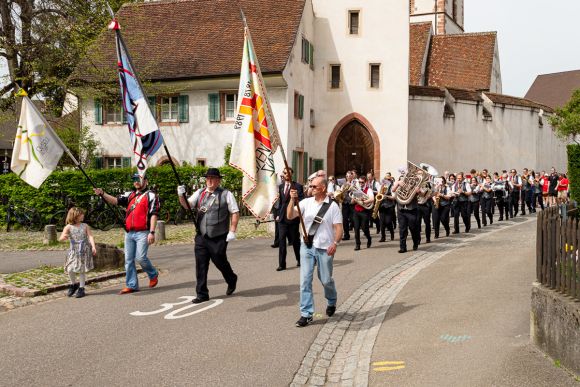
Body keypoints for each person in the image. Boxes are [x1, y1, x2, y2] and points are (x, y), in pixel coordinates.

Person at [287, 177, 343, 328]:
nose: (311, 188)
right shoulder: (305, 203)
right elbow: (290, 215)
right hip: (307, 246)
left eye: (314, 186)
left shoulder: (332, 207)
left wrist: (335, 243)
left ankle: (331, 300)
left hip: (325, 248)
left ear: (323, 188)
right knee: (305, 280)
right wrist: (292, 201)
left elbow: (338, 228)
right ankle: (306, 314)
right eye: (310, 186)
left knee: (326, 280)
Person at [178, 168, 239, 303]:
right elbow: (187, 206)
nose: (209, 180)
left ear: (218, 180)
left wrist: (232, 230)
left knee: (219, 261)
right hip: (201, 236)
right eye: (207, 178)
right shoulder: (200, 193)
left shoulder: (226, 194)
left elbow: (235, 212)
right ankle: (202, 293)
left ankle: (231, 278)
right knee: (201, 264)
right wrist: (181, 195)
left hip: (219, 236)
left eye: (212, 178)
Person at [94, 173, 159, 294]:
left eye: (139, 179)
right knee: (128, 260)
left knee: (140, 257)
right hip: (129, 232)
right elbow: (115, 201)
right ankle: (132, 285)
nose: (136, 181)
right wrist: (102, 193)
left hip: (143, 232)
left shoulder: (151, 195)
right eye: (134, 179)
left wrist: (152, 232)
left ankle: (153, 273)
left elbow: (154, 214)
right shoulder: (130, 195)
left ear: (146, 181)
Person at [59, 207, 96, 299]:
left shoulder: (85, 226)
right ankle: (73, 284)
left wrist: (93, 246)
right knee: (70, 269)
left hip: (84, 250)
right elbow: (61, 237)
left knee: (81, 269)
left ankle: (81, 288)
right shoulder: (68, 227)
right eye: (81, 214)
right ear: (75, 216)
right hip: (74, 250)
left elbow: (90, 236)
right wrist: (63, 238)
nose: (83, 215)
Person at [276, 167, 304, 271]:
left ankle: (300, 260)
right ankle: (282, 264)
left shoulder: (298, 186)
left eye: (288, 173)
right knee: (282, 241)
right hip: (282, 219)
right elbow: (280, 202)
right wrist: (278, 214)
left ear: (291, 174)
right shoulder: (281, 186)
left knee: (295, 241)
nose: (286, 175)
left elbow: (301, 201)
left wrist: (295, 198)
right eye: (284, 173)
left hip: (292, 218)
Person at [393, 172, 421, 253]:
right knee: (402, 229)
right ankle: (403, 247)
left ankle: (415, 242)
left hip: (411, 209)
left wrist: (418, 191)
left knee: (413, 228)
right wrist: (398, 183)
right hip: (401, 209)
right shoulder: (399, 182)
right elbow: (393, 190)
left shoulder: (416, 183)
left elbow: (423, 194)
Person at [352, 175, 374, 251]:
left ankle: (369, 238)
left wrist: (363, 201)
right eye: (360, 182)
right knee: (356, 228)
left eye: (362, 182)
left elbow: (372, 199)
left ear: (366, 182)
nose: (361, 184)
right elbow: (352, 202)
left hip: (364, 211)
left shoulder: (369, 190)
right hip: (356, 211)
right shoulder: (357, 190)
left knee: (365, 228)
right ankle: (358, 244)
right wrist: (354, 199)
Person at [378, 173, 396, 242]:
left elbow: (394, 197)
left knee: (388, 222)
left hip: (389, 206)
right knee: (382, 223)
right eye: (385, 179)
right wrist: (381, 190)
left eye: (388, 179)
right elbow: (379, 195)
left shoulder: (392, 187)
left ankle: (392, 233)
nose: (387, 180)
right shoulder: (381, 186)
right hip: (382, 206)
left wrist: (387, 196)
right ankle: (383, 237)